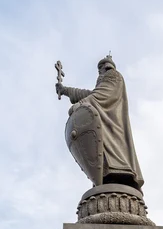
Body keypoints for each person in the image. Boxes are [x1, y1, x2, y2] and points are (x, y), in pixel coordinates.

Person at [56, 56, 144, 191]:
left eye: (100, 70)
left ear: (105, 67)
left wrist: (81, 104)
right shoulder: (106, 78)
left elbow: (103, 94)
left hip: (111, 122)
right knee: (104, 156)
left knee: (114, 152)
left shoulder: (113, 75)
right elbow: (92, 94)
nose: (99, 73)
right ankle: (108, 174)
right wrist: (65, 90)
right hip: (105, 120)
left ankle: (118, 171)